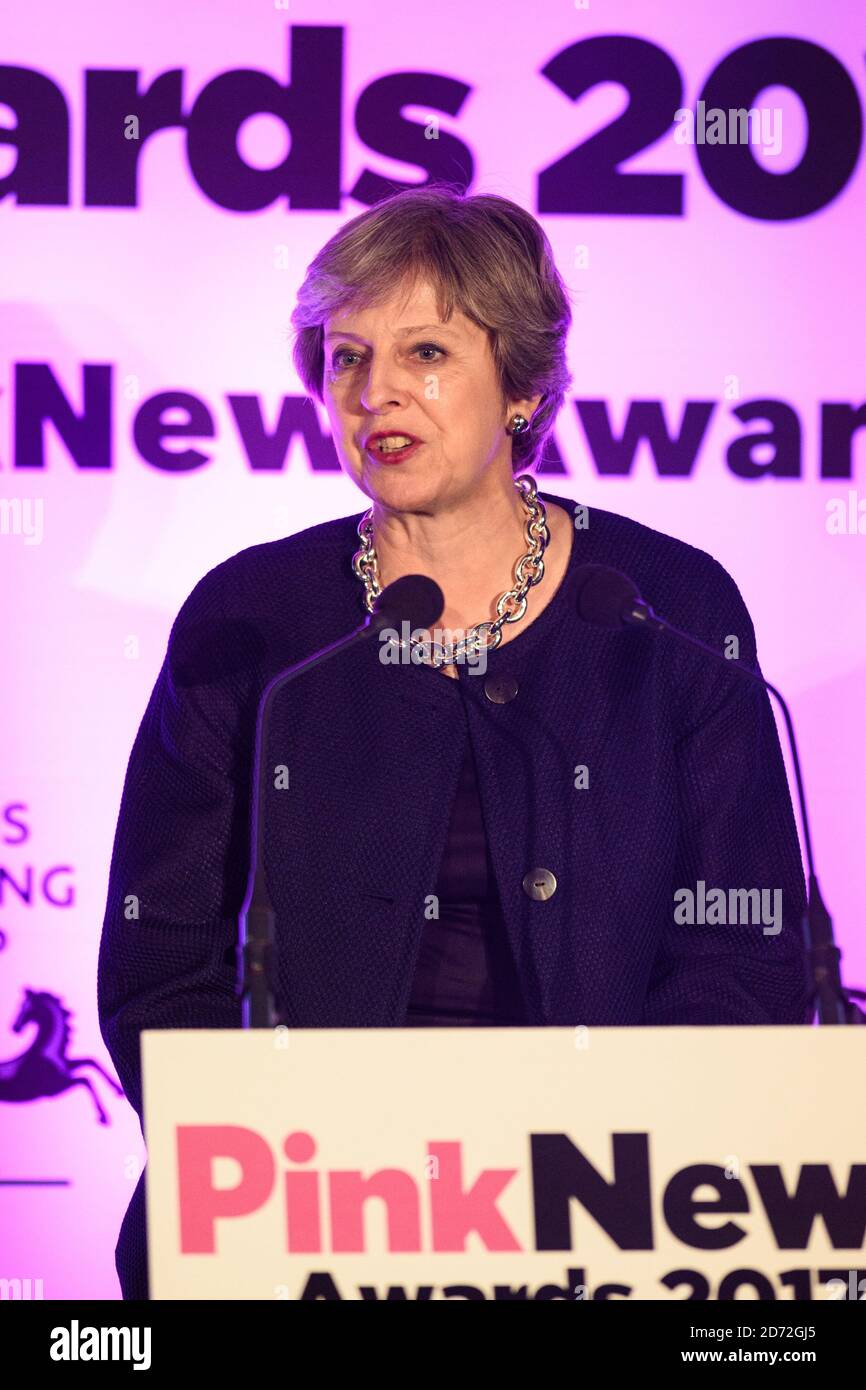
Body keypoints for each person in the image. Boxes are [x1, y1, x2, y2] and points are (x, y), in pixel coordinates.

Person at [97, 183, 811, 1300]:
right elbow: (162, 963)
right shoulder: (254, 623)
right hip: (305, 1216)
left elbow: (745, 961)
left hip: (602, 1220)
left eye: (424, 352)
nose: (373, 392)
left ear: (522, 386)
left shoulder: (662, 609)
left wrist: (604, 1168)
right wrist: (277, 1167)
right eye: (344, 358)